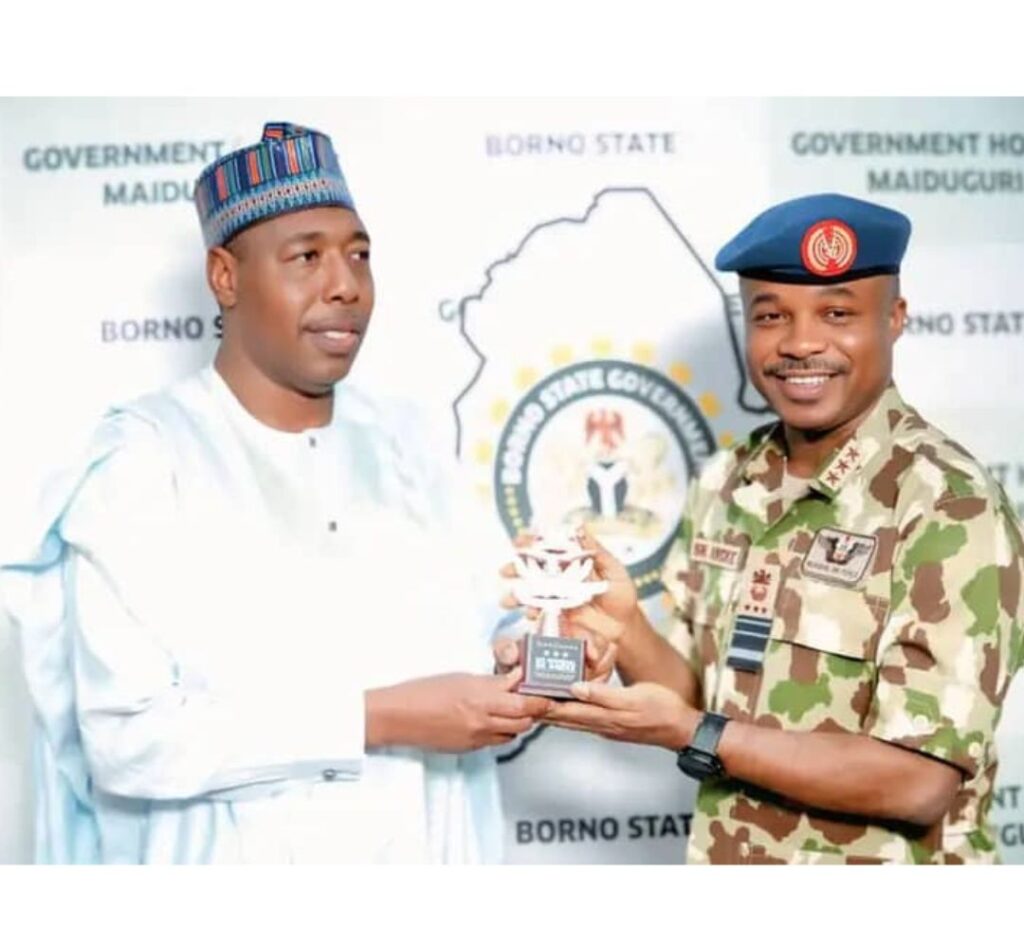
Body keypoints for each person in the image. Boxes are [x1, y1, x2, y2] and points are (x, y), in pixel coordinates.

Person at [1, 121, 550, 864]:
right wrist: (378, 717)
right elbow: (129, 740)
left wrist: (532, 655)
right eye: (307, 257)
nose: (346, 285)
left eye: (359, 255)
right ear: (225, 277)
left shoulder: (409, 445)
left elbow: (493, 625)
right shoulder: (144, 462)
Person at [501, 193, 1024, 864]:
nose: (800, 343)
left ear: (894, 318)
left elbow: (918, 781)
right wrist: (620, 626)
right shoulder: (727, 479)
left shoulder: (949, 503)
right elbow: (697, 695)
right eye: (771, 315)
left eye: (837, 314)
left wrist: (695, 733)